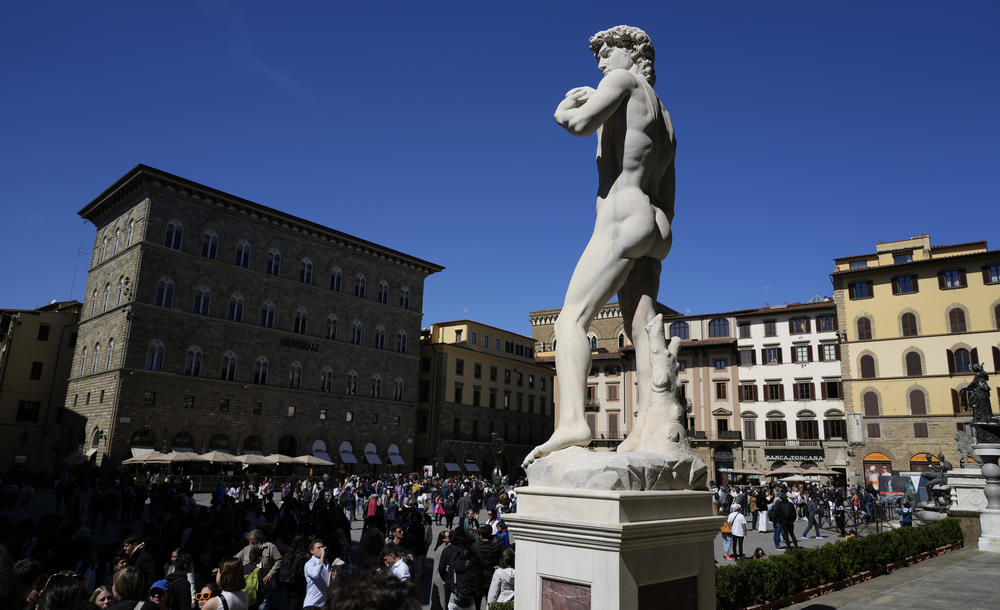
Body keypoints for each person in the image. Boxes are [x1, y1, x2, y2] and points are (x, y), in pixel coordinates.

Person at [524, 25, 676, 467]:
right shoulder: (665, 116)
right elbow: (668, 193)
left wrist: (564, 108)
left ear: (633, 54)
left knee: (569, 320)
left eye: (608, 53)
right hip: (656, 224)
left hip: (621, 216)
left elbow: (578, 123)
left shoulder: (622, 81)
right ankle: (653, 418)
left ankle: (572, 420)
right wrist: (654, 228)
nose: (602, 62)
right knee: (643, 328)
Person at [302, 539, 329, 610]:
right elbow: (315, 575)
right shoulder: (310, 563)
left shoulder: (326, 563)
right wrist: (322, 558)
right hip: (312, 605)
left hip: (323, 605)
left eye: (322, 547)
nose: (322, 549)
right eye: (318, 548)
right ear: (312, 551)